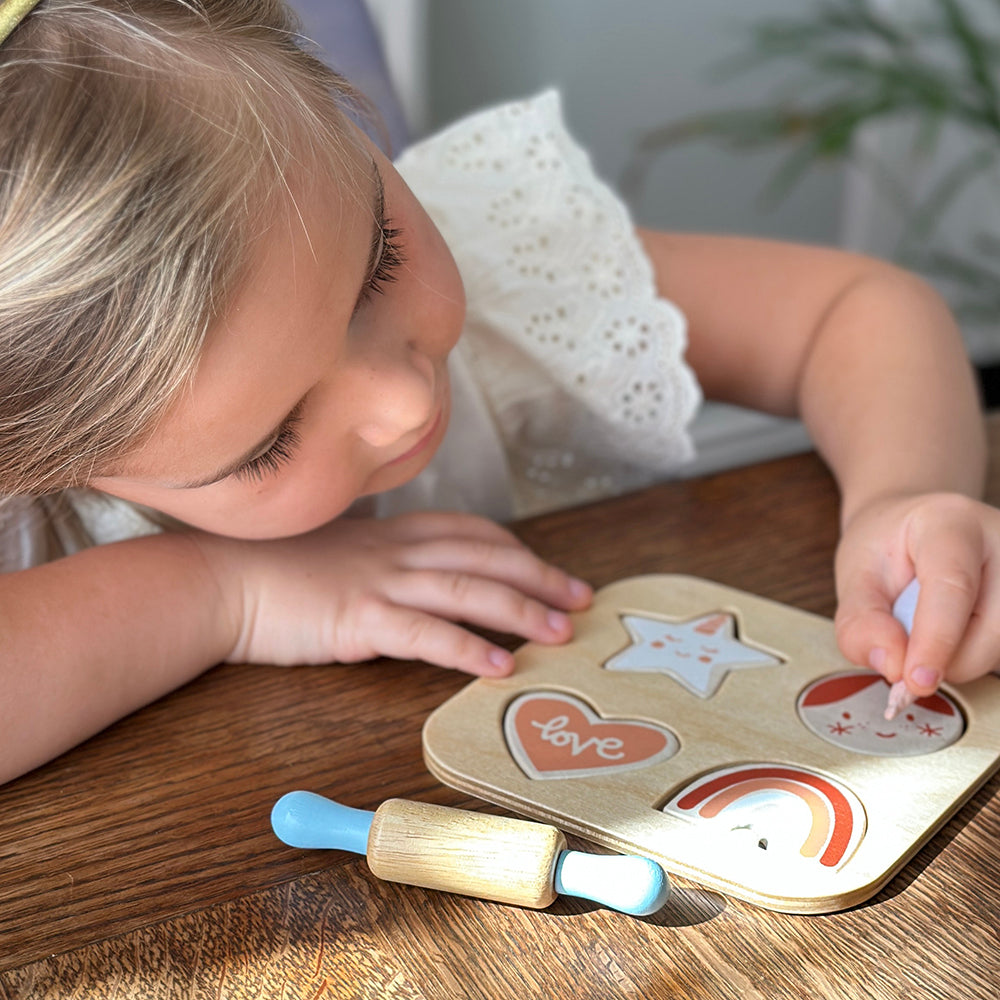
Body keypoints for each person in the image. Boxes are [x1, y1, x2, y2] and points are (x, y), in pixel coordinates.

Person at [0, 0, 997, 787]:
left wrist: (903, 494)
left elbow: (853, 312)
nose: (401, 400)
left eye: (379, 263)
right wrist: (227, 593)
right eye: (271, 440)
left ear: (336, 101)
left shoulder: (506, 262)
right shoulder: (26, 513)